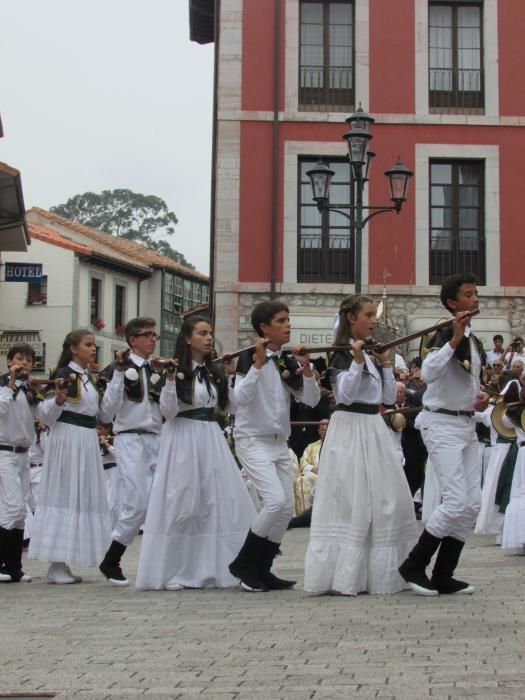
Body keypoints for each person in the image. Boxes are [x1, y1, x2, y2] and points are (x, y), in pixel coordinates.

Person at [304, 295, 417, 596]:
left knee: (386, 496)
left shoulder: (366, 353)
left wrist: (384, 364)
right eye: (368, 314)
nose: (374, 320)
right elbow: (346, 394)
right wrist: (355, 362)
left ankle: (381, 573)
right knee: (351, 497)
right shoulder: (340, 354)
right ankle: (345, 574)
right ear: (352, 318)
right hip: (350, 428)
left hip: (372, 428)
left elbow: (389, 397)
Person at [136, 316, 256, 590]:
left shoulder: (213, 372)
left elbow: (232, 407)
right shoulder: (174, 371)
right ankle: (176, 570)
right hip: (182, 437)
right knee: (183, 501)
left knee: (215, 501)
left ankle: (215, 567)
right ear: (188, 339)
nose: (209, 338)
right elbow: (167, 411)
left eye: (210, 333)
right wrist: (168, 380)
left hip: (209, 437)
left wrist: (229, 375)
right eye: (202, 333)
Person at [399, 273, 489, 596]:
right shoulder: (440, 334)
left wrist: (481, 400)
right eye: (469, 294)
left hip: (466, 425)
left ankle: (443, 573)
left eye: (476, 293)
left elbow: (469, 385)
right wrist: (453, 338)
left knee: (472, 503)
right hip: (441, 425)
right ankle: (413, 565)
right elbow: (428, 374)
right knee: (454, 500)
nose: (476, 298)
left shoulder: (475, 341)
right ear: (453, 303)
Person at [228, 301, 320, 592]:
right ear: (265, 328)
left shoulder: (287, 362)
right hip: (252, 439)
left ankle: (263, 568)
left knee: (286, 509)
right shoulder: (246, 359)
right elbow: (237, 400)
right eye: (281, 320)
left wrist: (307, 369)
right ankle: (243, 565)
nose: (288, 325)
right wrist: (256, 365)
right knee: (275, 502)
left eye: (288, 319)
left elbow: (312, 401)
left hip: (280, 442)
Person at [29, 330, 111, 584]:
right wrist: (60, 400)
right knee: (64, 493)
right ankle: (56, 562)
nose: (93, 349)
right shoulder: (62, 374)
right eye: (88, 345)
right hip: (67, 437)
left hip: (86, 438)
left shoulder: (90, 378)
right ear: (74, 348)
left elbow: (102, 413)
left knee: (80, 495)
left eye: (94, 345)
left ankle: (67, 558)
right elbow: (45, 414)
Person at [98, 317, 162, 586]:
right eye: (146, 335)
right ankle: (111, 559)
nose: (152, 339)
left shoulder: (158, 369)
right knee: (137, 503)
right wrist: (120, 373)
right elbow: (106, 411)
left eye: (154, 335)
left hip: (158, 438)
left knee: (166, 500)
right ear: (133, 340)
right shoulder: (117, 369)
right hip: (130, 438)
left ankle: (163, 560)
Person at [0, 344, 41, 583]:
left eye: (28, 360)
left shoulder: (29, 389)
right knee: (12, 508)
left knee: (19, 514)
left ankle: (14, 566)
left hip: (24, 454)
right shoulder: (4, 385)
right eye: (19, 359)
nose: (24, 363)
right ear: (9, 361)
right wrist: (10, 385)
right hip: (4, 451)